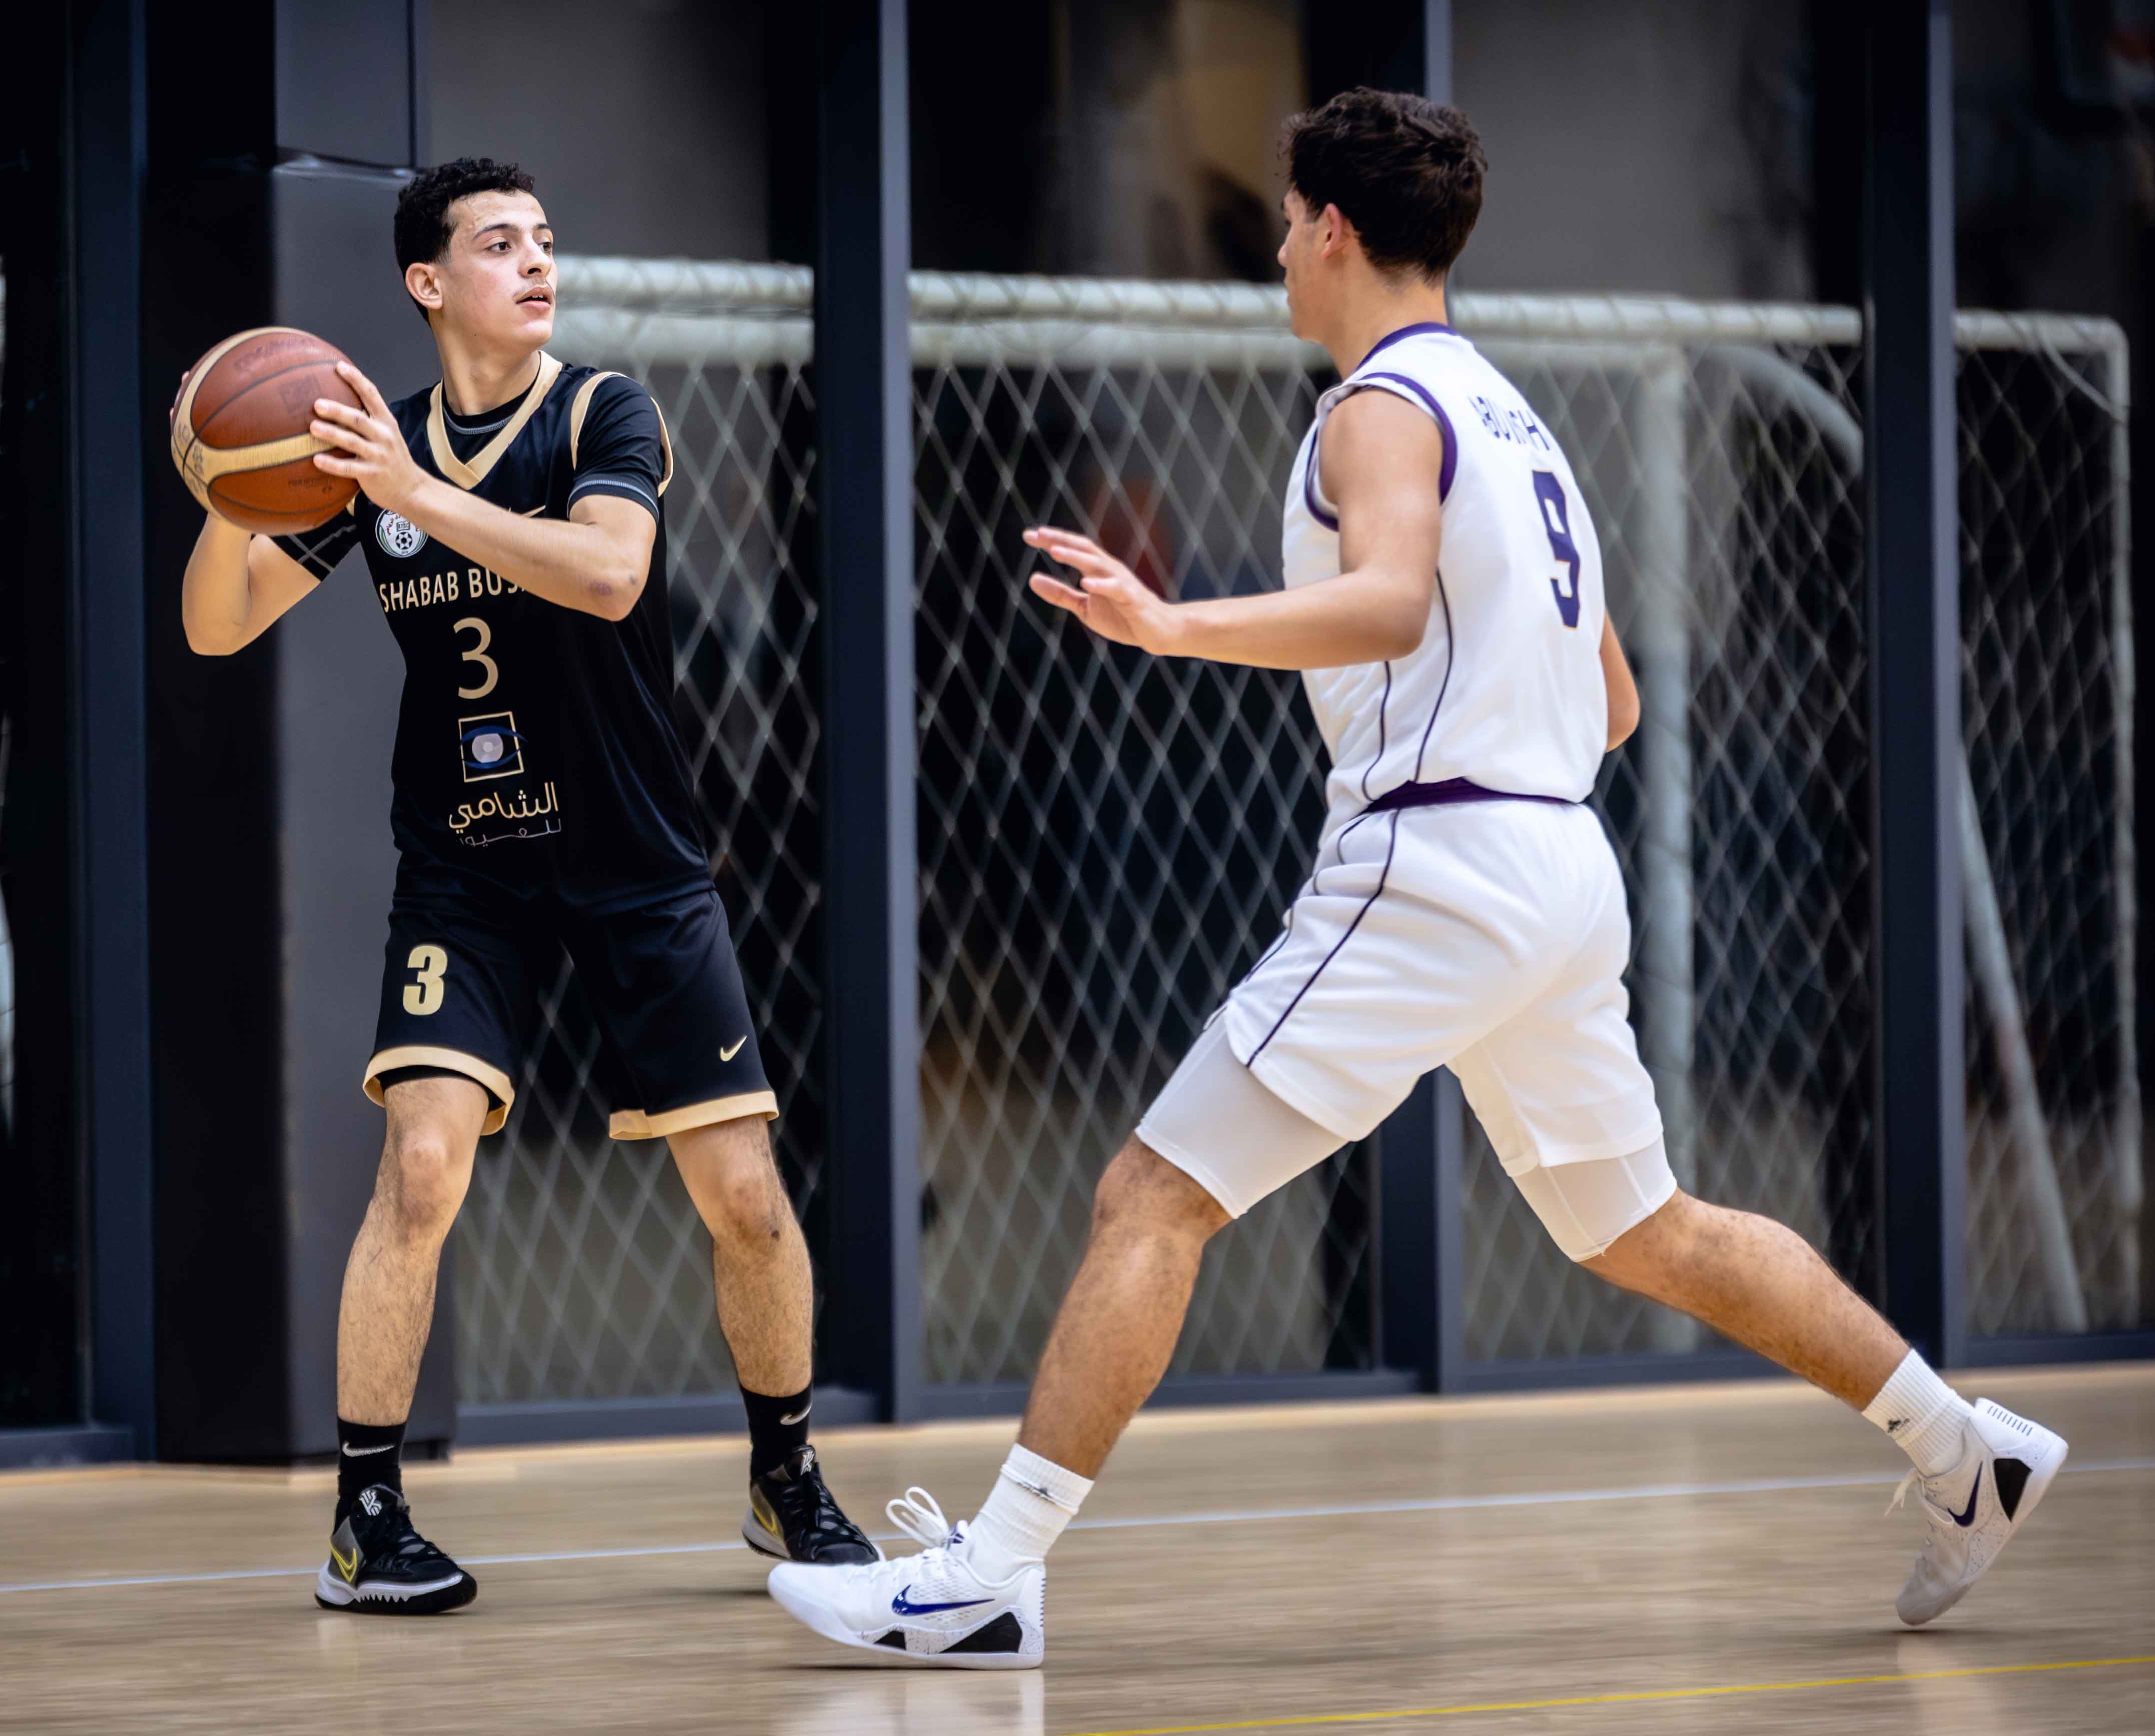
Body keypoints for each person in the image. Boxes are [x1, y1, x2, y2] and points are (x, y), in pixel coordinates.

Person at [764, 88, 2065, 1668]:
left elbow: (1386, 606)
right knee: (1645, 1228)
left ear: (1329, 229)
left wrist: (1170, 626)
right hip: (1560, 862)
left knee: (1152, 1195)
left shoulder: (1376, 408)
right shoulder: (1515, 422)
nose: (1273, 251)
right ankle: (1962, 1447)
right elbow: (1615, 704)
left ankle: (992, 1575)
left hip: (1440, 858)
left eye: (1281, 223)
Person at [178, 157, 877, 1615]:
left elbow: (608, 575)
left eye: (546, 239)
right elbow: (217, 628)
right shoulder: (371, 450)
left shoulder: (601, 412)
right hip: (467, 870)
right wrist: (226, 487)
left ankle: (787, 1475)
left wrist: (413, 493)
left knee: (745, 1198)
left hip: (634, 861)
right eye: (500, 244)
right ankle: (366, 1519)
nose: (537, 262)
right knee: (422, 1166)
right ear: (427, 283)